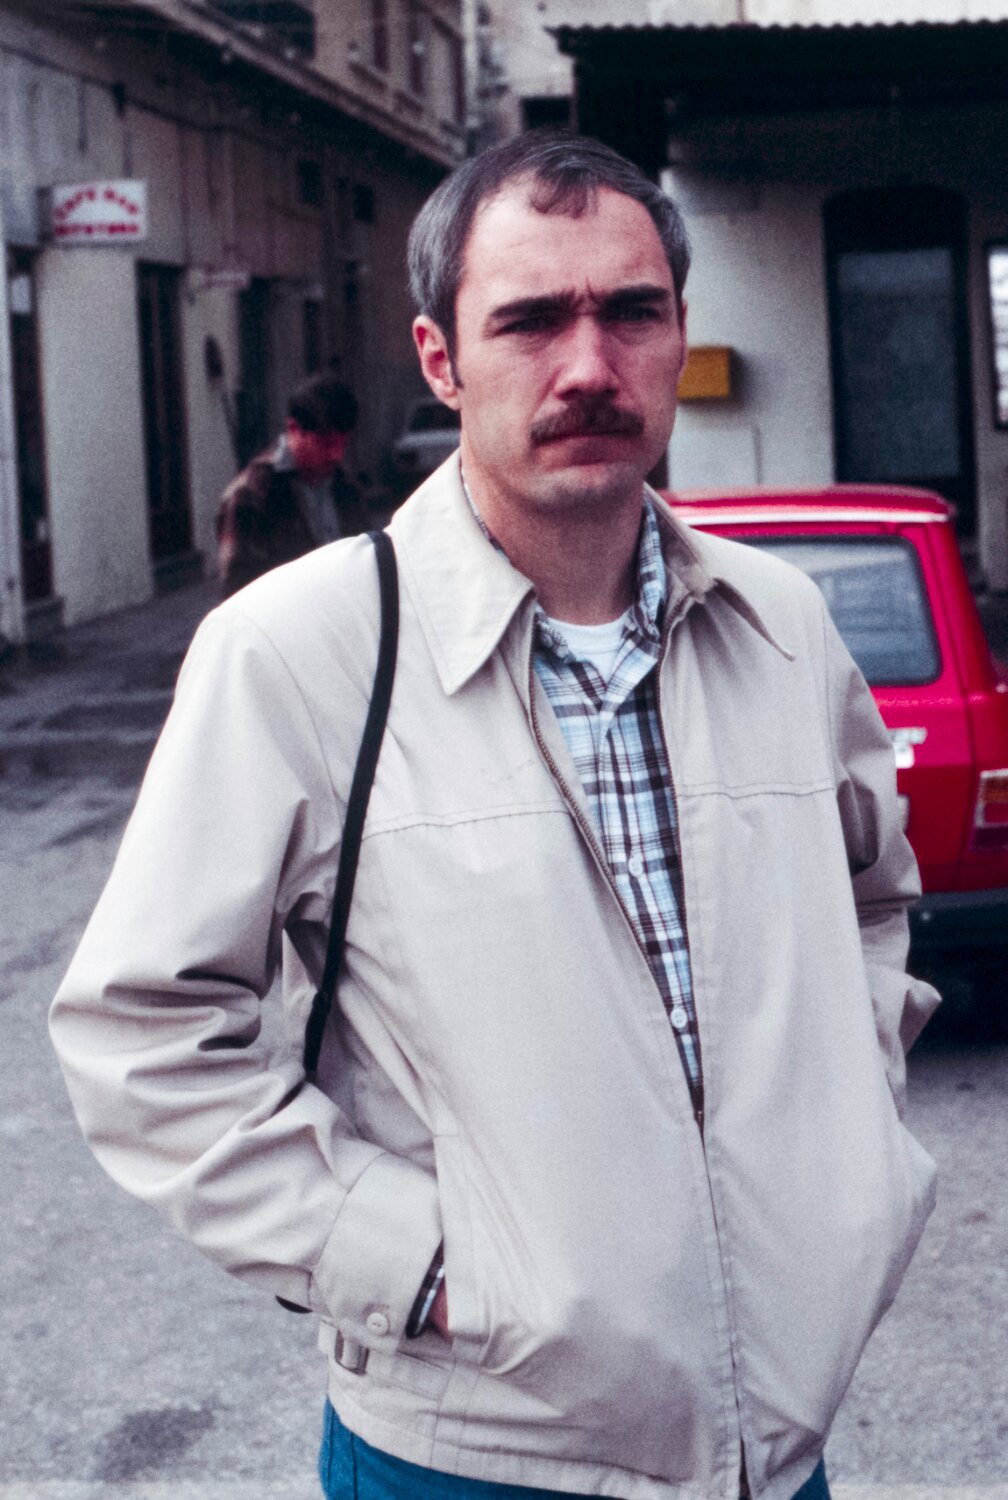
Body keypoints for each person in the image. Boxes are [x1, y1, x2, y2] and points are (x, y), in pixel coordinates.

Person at [50, 131, 939, 1500]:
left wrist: (852, 1147)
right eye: (529, 320)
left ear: (679, 331)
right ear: (441, 357)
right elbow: (139, 1035)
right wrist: (416, 1267)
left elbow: (872, 900)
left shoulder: (780, 625)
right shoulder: (298, 652)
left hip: (776, 1447)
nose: (588, 366)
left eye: (630, 312)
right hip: (473, 1453)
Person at [215, 370, 370, 596]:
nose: (336, 455)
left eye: (343, 443)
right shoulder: (252, 495)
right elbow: (238, 593)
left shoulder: (346, 487)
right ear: (294, 429)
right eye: (326, 443)